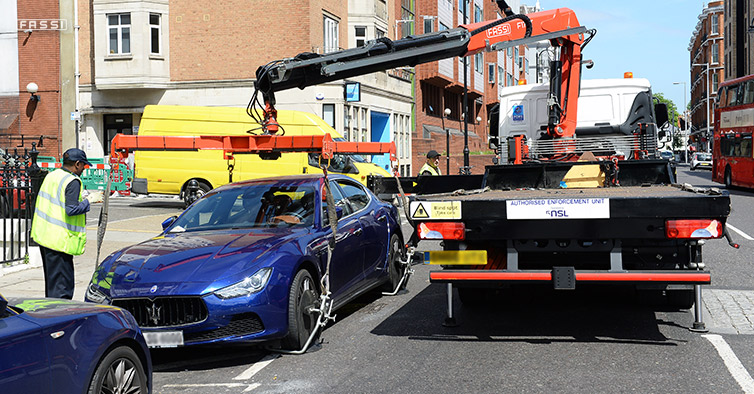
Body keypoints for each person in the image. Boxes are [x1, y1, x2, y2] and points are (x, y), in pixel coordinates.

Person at [30, 148, 103, 299]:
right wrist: (89, 200)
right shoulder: (72, 181)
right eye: (83, 165)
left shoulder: (53, 176)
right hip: (59, 241)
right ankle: (59, 318)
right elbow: (71, 209)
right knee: (62, 288)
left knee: (53, 285)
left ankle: (51, 314)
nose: (84, 169)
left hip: (45, 237)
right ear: (77, 164)